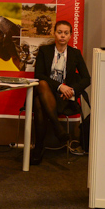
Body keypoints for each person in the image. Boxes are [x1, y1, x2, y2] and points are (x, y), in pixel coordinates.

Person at [31, 20, 90, 165]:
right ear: (54, 34)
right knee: (42, 85)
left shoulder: (75, 54)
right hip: (47, 92)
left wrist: (71, 90)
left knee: (39, 103)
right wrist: (59, 86)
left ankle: (39, 147)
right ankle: (57, 128)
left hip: (64, 97)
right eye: (59, 32)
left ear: (70, 35)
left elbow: (86, 78)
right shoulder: (44, 51)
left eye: (66, 33)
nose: (62, 35)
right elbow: (39, 75)